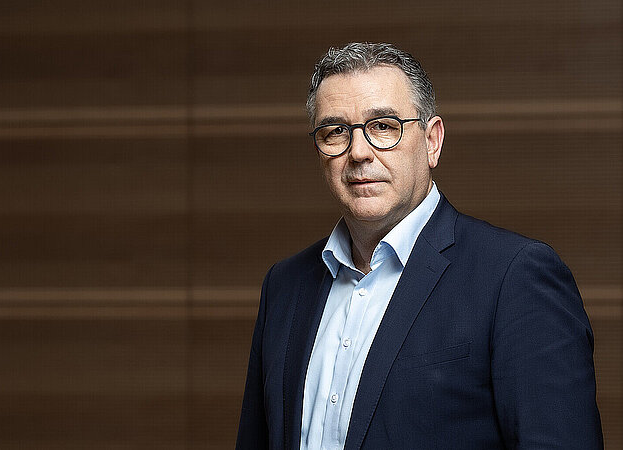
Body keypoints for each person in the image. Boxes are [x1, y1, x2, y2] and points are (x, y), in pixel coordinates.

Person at [235, 42, 603, 449]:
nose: (358, 152)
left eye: (383, 126)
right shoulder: (284, 285)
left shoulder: (515, 277)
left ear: (432, 142)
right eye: (335, 131)